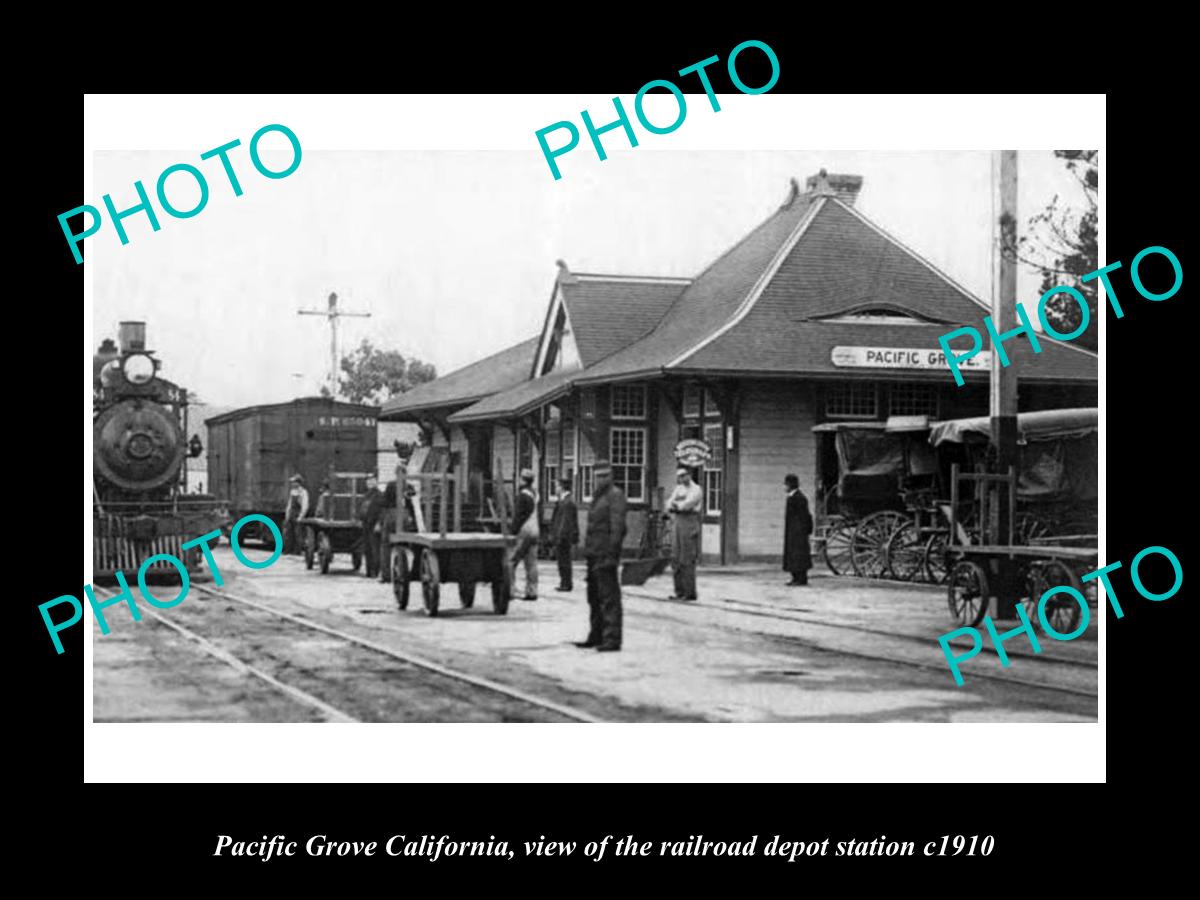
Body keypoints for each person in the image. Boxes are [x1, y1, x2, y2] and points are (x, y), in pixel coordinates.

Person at [575, 460, 627, 652]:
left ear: (611, 476)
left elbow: (618, 527)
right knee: (594, 596)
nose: (601, 479)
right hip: (594, 554)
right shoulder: (598, 497)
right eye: (598, 476)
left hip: (605, 554)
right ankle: (596, 635)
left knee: (608, 598)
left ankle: (612, 638)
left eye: (605, 476)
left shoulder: (615, 496)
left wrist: (612, 553)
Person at [667, 467, 703, 600]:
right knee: (675, 557)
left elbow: (688, 504)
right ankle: (679, 591)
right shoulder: (679, 488)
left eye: (684, 475)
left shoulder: (696, 489)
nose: (682, 478)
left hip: (689, 521)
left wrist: (677, 505)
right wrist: (674, 505)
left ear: (690, 475)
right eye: (679, 476)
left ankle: (689, 593)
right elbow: (669, 502)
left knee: (687, 558)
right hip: (677, 521)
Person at [510, 469, 540, 601]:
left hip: (524, 530)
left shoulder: (523, 495)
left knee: (511, 561)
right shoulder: (535, 494)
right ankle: (532, 591)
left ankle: (509, 589)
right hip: (535, 530)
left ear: (522, 479)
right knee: (531, 563)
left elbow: (519, 516)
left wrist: (513, 532)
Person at [783, 474, 814, 585]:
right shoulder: (793, 497)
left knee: (798, 555)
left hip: (798, 532)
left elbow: (804, 516)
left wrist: (801, 530)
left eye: (786, 484)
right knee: (793, 555)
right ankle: (795, 577)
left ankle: (801, 578)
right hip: (793, 531)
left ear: (791, 485)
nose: (784, 487)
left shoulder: (799, 498)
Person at [550, 475, 580, 591]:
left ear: (562, 488)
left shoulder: (567, 503)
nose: (555, 489)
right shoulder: (564, 501)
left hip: (563, 536)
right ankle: (564, 582)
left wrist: (559, 536)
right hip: (562, 535)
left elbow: (565, 522)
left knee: (564, 561)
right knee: (562, 560)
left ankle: (566, 583)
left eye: (557, 486)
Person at [358, 474, 384, 578]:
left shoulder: (379, 495)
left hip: (374, 525)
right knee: (367, 549)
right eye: (368, 481)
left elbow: (382, 511)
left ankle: (375, 571)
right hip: (366, 525)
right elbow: (363, 508)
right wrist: (360, 519)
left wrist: (379, 523)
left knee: (375, 549)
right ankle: (369, 571)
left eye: (372, 481)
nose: (369, 483)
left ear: (376, 482)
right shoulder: (366, 495)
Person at [282, 474, 310, 555]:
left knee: (298, 533)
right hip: (291, 514)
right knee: (288, 533)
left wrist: (301, 516)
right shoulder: (292, 492)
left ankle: (297, 550)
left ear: (298, 483)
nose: (292, 484)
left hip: (297, 514)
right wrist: (287, 515)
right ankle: (287, 550)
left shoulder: (303, 492)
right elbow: (289, 504)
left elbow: (305, 505)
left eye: (294, 482)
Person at [378, 481, 398, 583]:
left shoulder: (391, 485)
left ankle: (386, 575)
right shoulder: (409, 486)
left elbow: (384, 502)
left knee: (385, 545)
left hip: (392, 515)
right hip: (407, 516)